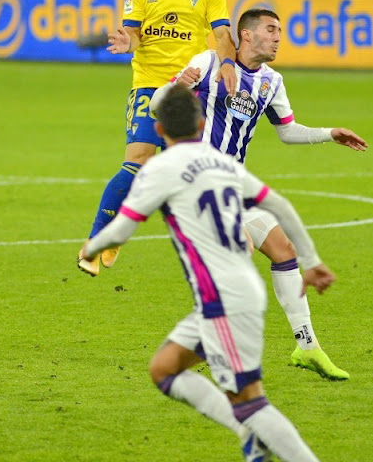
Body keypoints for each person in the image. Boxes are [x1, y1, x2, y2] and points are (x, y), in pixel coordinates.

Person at [80, 84, 322, 462]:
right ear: (202, 123)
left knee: (250, 400)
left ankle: (267, 439)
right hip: (231, 292)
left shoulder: (159, 168)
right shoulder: (222, 162)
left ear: (159, 131)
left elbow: (122, 229)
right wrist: (312, 260)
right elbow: (278, 204)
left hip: (222, 298)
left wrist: (91, 246)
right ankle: (248, 434)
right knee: (164, 369)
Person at [149, 8, 368, 381]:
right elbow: (156, 106)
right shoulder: (207, 62)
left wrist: (328, 133)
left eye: (280, 30)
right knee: (241, 252)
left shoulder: (272, 81)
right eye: (271, 29)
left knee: (284, 251)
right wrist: (177, 89)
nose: (278, 37)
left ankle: (307, 346)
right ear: (246, 36)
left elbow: (287, 131)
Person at [77, 0, 237, 277]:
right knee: (137, 160)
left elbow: (223, 35)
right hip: (150, 84)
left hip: (190, 92)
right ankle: (97, 241)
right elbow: (133, 34)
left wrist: (227, 64)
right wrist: (126, 41)